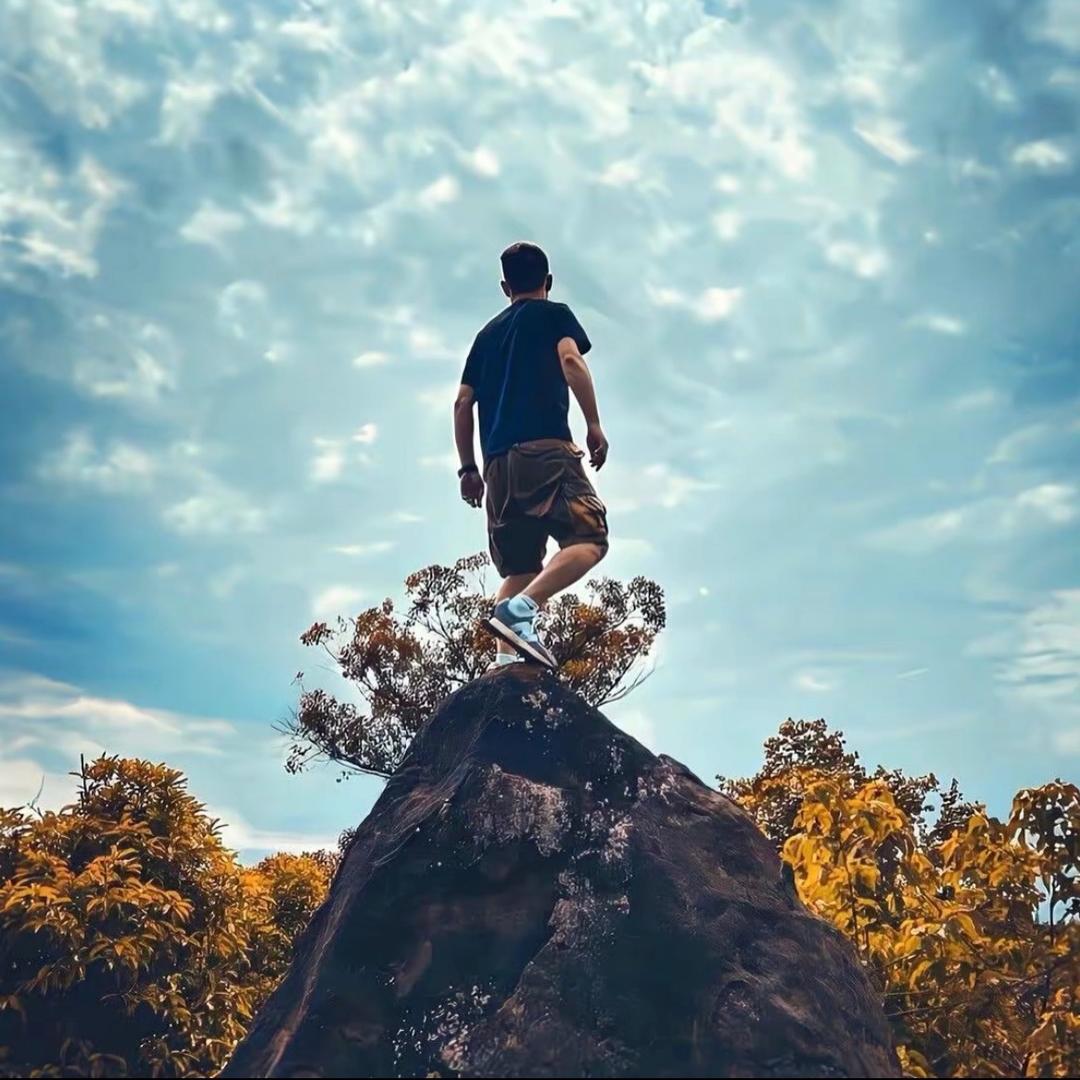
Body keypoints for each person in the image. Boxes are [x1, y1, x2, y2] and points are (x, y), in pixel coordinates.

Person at [454, 241, 609, 670]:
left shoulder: (486, 336)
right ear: (549, 281)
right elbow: (571, 361)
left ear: (506, 287)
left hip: (497, 466)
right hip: (546, 451)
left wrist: (468, 468)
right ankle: (523, 611)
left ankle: (505, 664)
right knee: (588, 540)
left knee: (519, 569)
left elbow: (463, 403)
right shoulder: (553, 314)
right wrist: (593, 423)